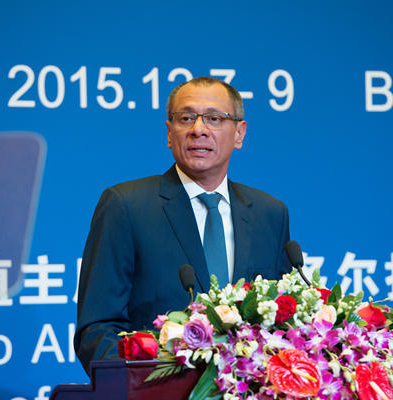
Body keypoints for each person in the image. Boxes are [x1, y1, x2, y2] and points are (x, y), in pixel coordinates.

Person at [74, 77, 291, 374]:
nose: (198, 129)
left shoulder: (269, 214)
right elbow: (98, 328)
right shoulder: (126, 206)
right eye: (186, 118)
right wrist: (138, 390)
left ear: (239, 133)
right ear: (169, 132)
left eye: (214, 118)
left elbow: (282, 326)